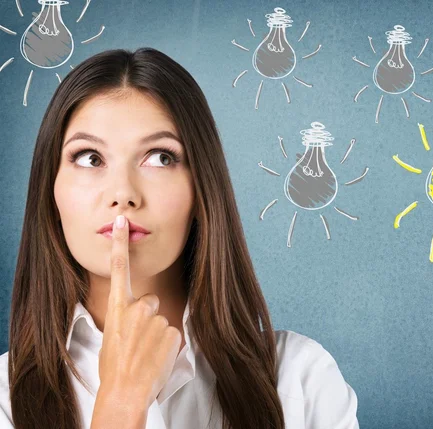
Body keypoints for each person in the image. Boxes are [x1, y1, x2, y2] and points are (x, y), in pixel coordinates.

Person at [0, 47, 359, 429]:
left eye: (160, 157)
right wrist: (121, 403)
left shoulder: (301, 380)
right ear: (50, 190)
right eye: (90, 158)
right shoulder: (5, 398)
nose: (122, 193)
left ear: (201, 190)